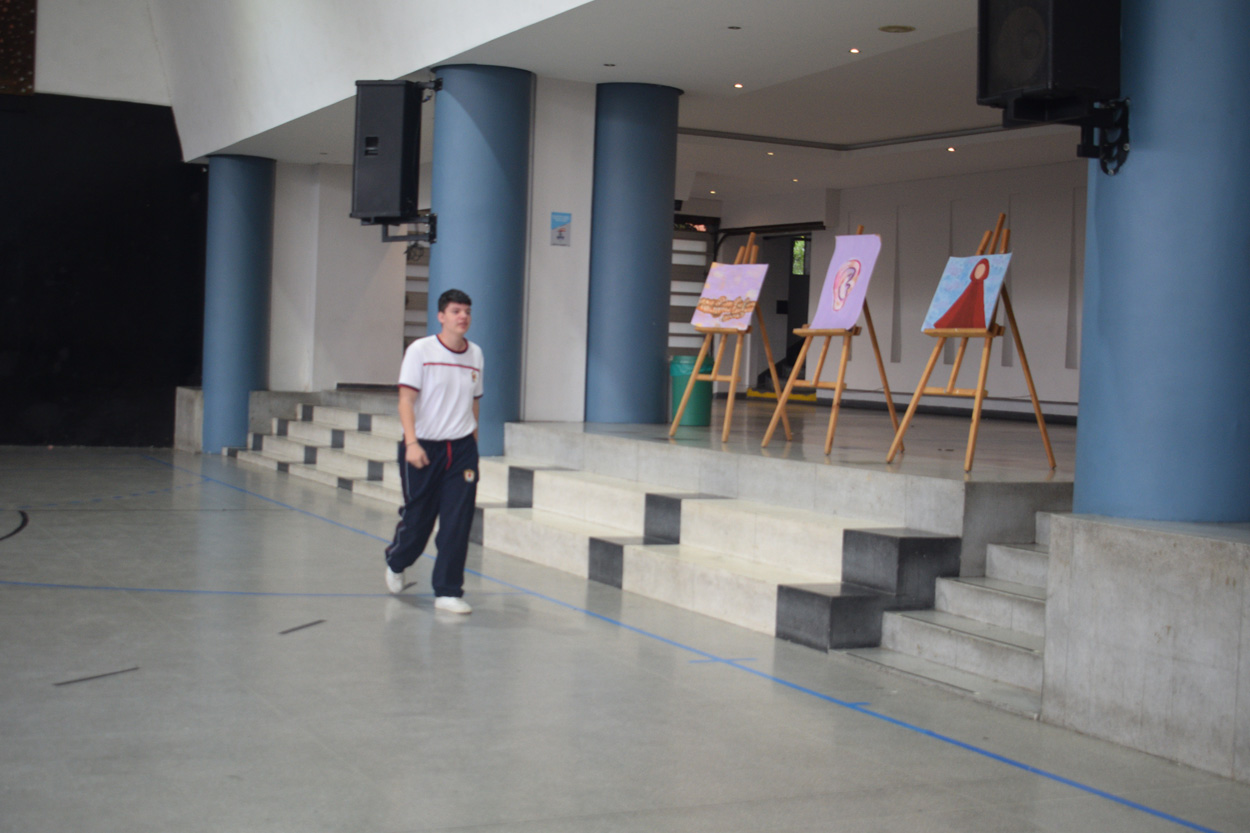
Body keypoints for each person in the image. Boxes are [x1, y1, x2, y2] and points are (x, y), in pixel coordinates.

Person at [384, 288, 483, 614]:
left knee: (457, 521)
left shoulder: (476, 354)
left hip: (462, 450)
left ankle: (448, 591)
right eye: (456, 311)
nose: (463, 316)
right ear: (441, 316)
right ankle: (397, 560)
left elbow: (474, 403)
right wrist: (411, 442)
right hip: (423, 447)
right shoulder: (420, 351)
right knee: (419, 520)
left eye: (467, 311)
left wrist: (474, 443)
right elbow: (406, 400)